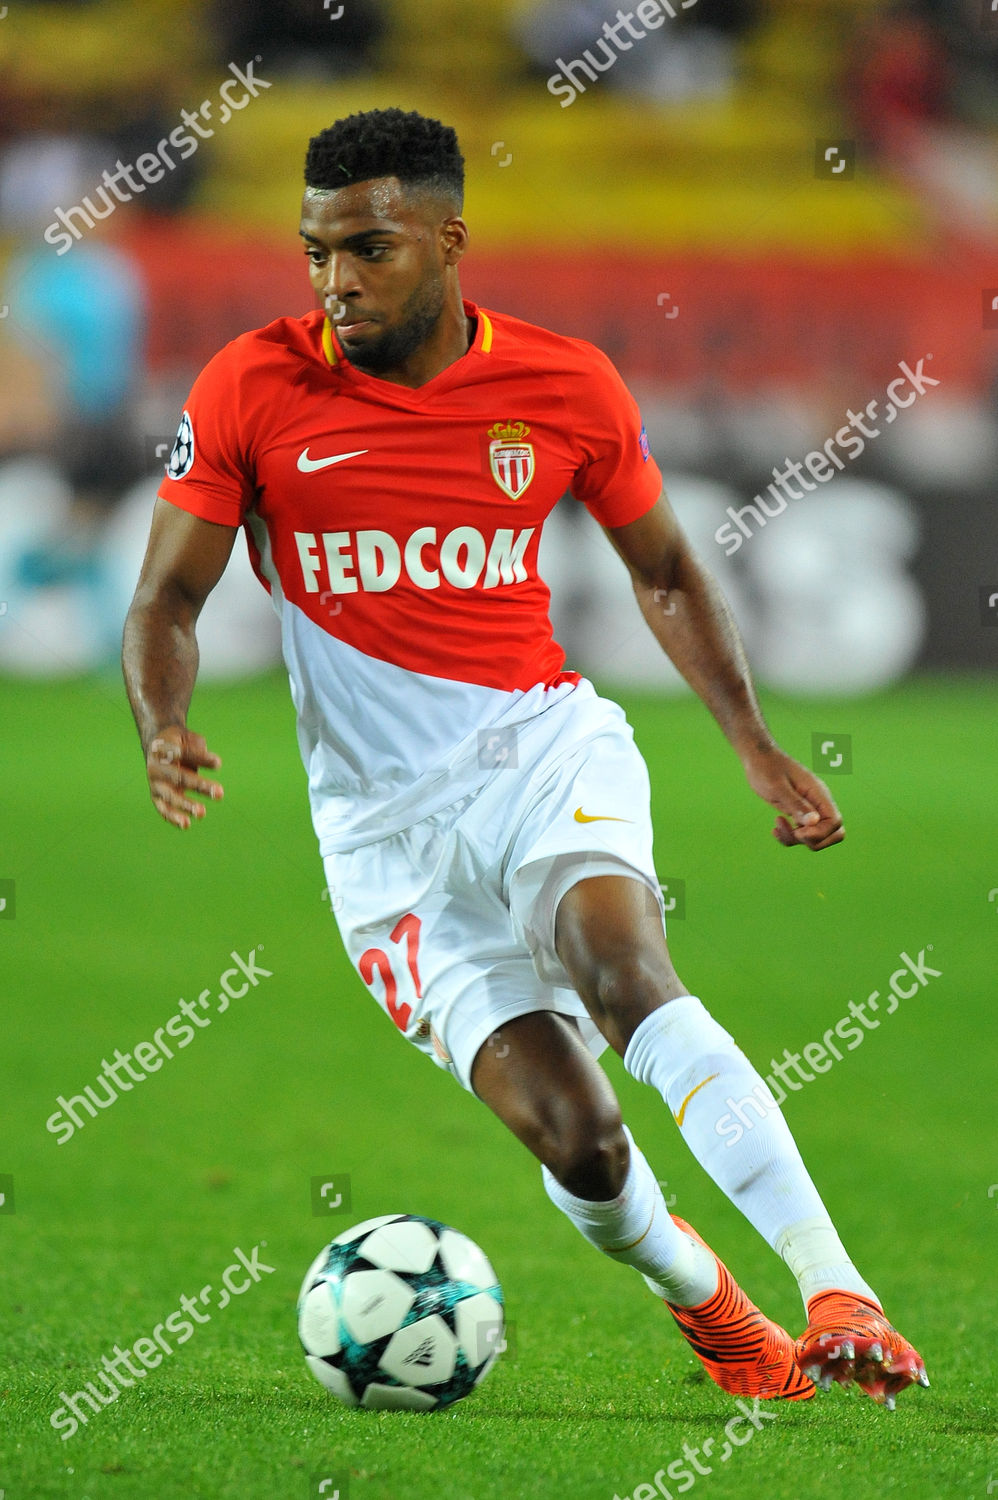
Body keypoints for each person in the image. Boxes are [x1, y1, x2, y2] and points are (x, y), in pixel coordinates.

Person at [122, 107, 926, 1409]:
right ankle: (712, 1309)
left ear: (447, 239)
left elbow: (662, 567)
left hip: (542, 755)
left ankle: (842, 1294)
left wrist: (755, 745)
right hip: (385, 845)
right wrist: (163, 722)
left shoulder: (563, 384)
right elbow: (164, 599)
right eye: (315, 251)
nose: (335, 281)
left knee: (625, 969)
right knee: (582, 1141)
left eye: (368, 249)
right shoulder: (249, 386)